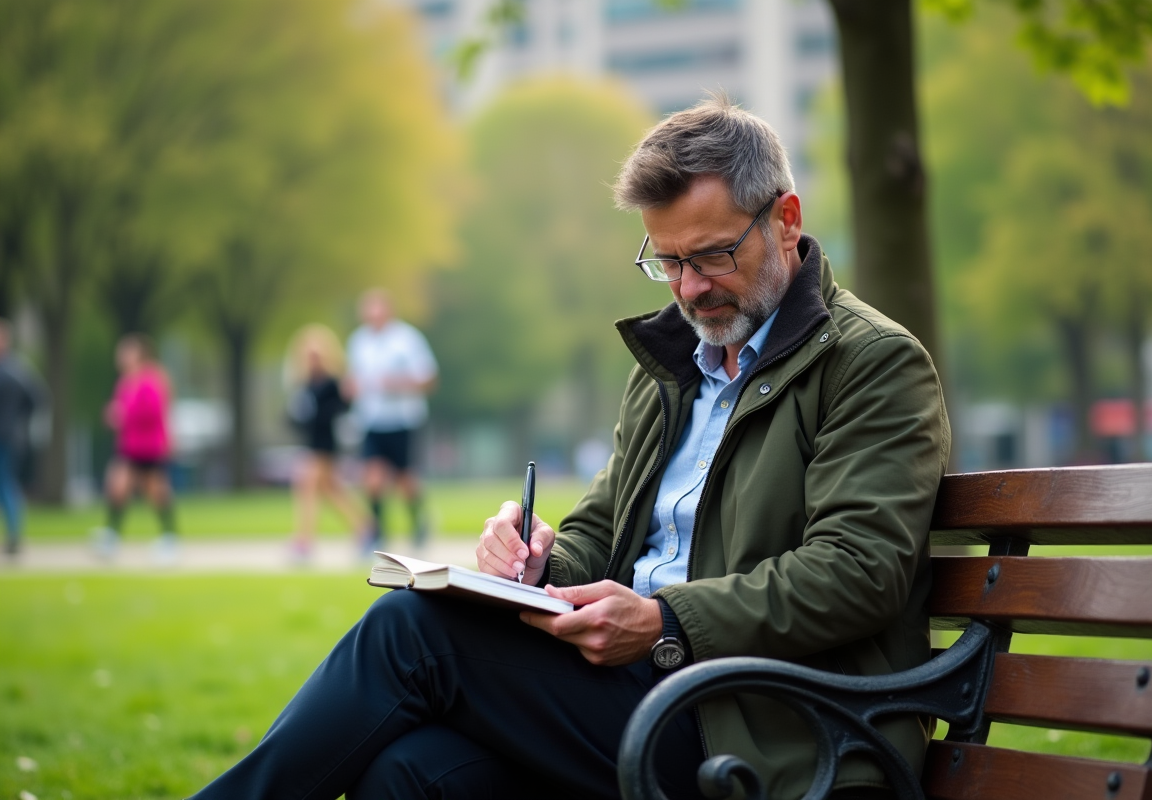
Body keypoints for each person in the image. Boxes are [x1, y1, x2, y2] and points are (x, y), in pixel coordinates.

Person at [191, 95, 949, 800]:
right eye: (667, 261)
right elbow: (601, 525)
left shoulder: (872, 363)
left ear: (786, 219)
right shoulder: (671, 369)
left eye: (712, 255)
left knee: (413, 634)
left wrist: (665, 622)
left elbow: (857, 573)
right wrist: (539, 565)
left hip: (767, 722)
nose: (687, 291)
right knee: (411, 772)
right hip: (647, 693)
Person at [344, 289, 438, 554]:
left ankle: (419, 519)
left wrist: (397, 383)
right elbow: (355, 378)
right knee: (372, 479)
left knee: (405, 480)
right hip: (372, 420)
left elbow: (428, 378)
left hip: (403, 419)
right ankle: (377, 532)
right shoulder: (358, 342)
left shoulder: (407, 340)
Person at [94, 334, 178, 563]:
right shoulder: (126, 381)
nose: (121, 356)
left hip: (149, 445)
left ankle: (169, 539)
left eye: (126, 351)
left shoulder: (152, 378)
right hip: (130, 445)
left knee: (157, 492)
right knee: (117, 488)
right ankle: (111, 536)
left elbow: (154, 411)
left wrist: (122, 415)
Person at [285, 324, 363, 561]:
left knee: (305, 485)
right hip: (311, 443)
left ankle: (303, 541)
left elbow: (341, 408)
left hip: (325, 444)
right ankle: (365, 527)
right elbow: (296, 416)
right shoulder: (305, 384)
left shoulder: (331, 383)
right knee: (331, 490)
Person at [0, 319, 42, 557]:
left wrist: (19, 423)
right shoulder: (19, 370)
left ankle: (14, 535)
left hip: (7, 437)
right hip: (12, 435)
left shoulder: (16, 371)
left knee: (5, 484)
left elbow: (36, 399)